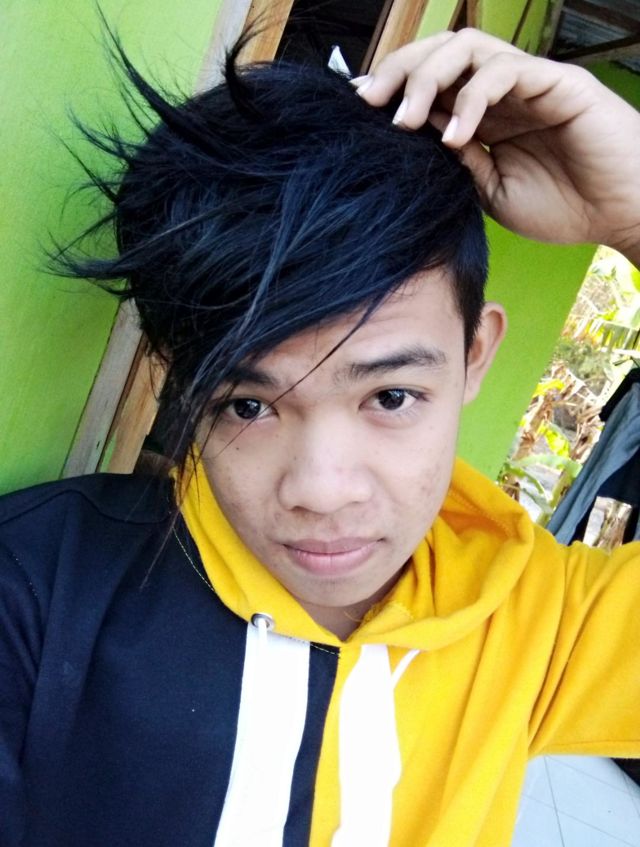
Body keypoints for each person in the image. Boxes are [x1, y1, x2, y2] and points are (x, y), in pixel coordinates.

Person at [1, 25, 640, 847]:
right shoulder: (37, 594)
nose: (321, 489)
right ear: (181, 381)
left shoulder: (535, 624)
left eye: (391, 396)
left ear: (475, 354)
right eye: (247, 405)